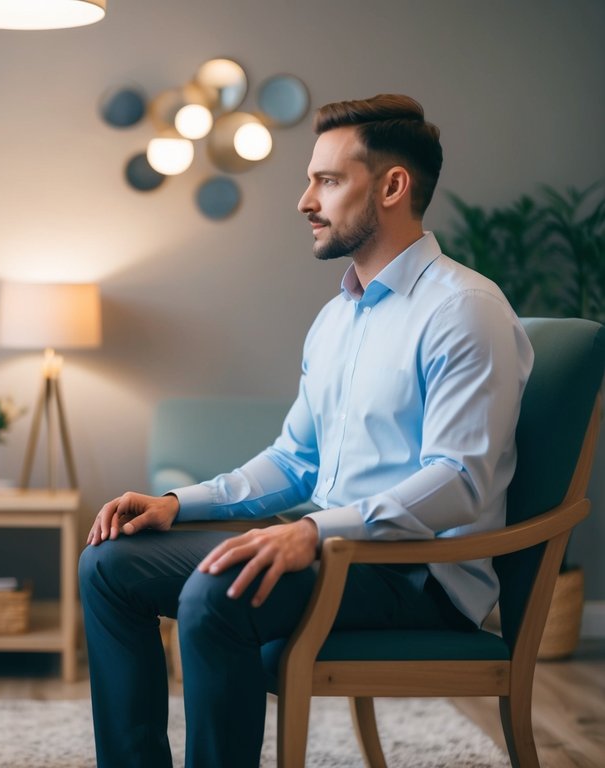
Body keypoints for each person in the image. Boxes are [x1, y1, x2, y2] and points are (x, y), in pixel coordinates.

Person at [79, 94, 534, 767]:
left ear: (391, 186)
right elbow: (293, 461)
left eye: (325, 180)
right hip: (329, 547)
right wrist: (177, 504)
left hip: (414, 576)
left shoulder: (463, 309)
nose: (303, 201)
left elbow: (458, 481)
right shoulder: (338, 317)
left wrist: (309, 532)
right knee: (108, 565)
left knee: (219, 588)